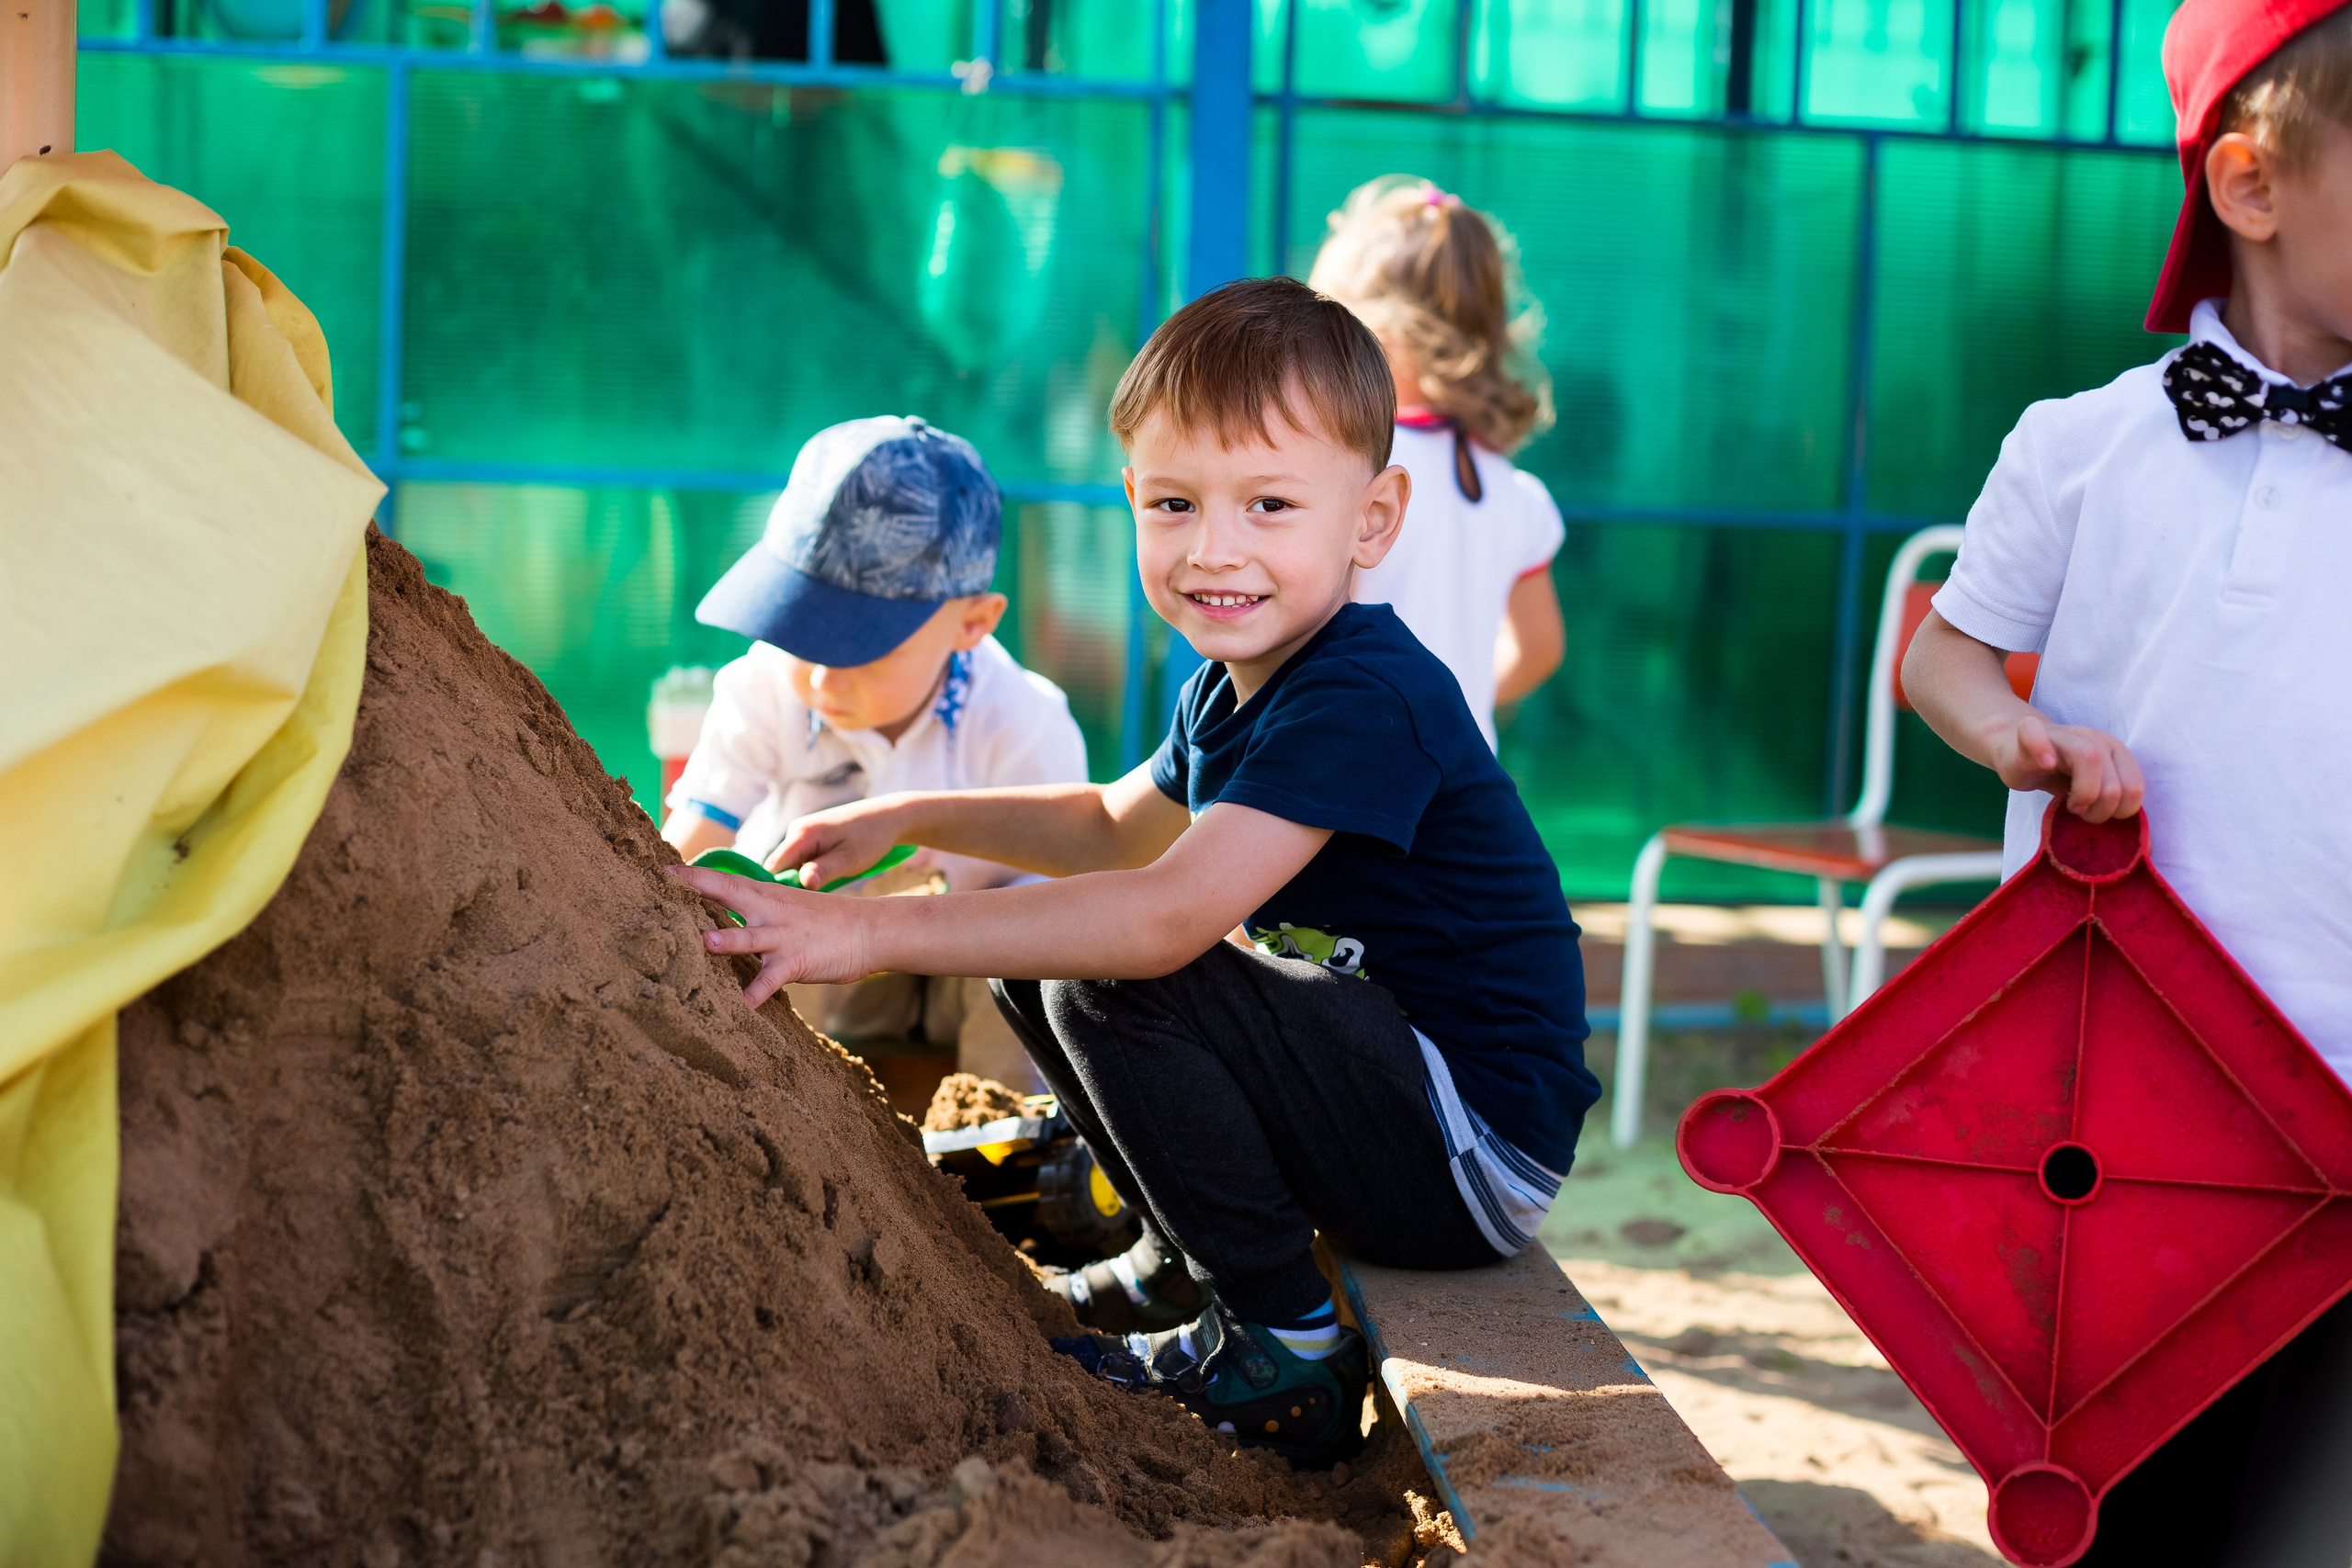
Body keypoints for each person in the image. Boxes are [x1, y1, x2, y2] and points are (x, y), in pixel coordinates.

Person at [671, 278, 1600, 1468]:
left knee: (1112, 968)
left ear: (1371, 521)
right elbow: (1112, 825)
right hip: (1388, 1098)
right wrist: (897, 815)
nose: (1216, 548)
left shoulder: (1363, 690)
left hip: (1471, 1143)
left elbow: (1161, 911)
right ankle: (1183, 1254)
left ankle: (1289, 1346)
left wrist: (854, 934)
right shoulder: (1239, 675)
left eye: (1270, 503)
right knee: (1038, 942)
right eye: (1175, 503)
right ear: (1133, 502)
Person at [1902, 0, 2352, 1559]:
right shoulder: (2082, 444)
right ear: (2250, 185)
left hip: (2342, 1090)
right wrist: (2011, 733)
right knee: (2115, 1492)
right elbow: (1943, 658)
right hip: (2102, 1090)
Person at [662, 414, 1088, 1096]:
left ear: (971, 623)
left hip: (973, 972)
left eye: (862, 644)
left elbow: (1080, 899)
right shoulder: (766, 684)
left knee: (1047, 937)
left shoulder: (1025, 723)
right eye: (804, 630)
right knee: (764, 925)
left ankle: (993, 1147)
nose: (825, 678)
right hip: (828, 971)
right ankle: (785, 1112)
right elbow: (695, 838)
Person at [1307, 175, 1566, 748]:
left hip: (1349, 783)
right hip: (1466, 799)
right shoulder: (1517, 494)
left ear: (1377, 332)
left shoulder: (1345, 469)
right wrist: (1452, 694)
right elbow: (1540, 647)